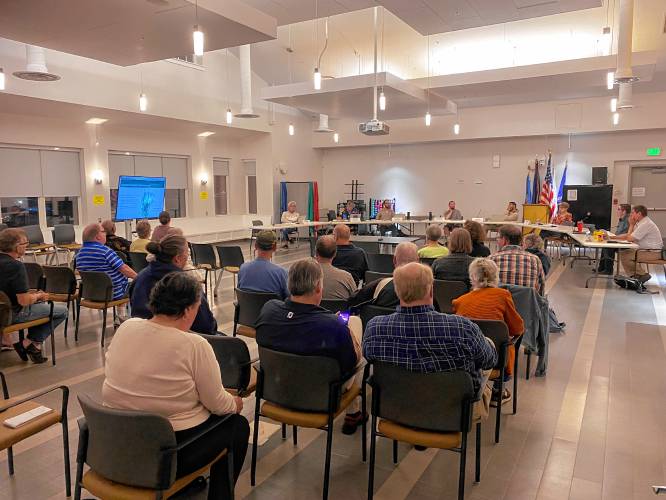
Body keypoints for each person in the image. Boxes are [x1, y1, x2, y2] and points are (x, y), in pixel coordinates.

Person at [103, 272, 248, 500]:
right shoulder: (194, 344)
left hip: (115, 444)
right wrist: (235, 403)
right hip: (165, 455)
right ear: (189, 309)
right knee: (236, 425)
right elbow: (218, 404)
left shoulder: (127, 327)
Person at [363, 262, 497, 415]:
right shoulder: (463, 329)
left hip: (395, 407)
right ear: (431, 291)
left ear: (397, 291)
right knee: (486, 346)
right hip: (452, 412)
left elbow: (368, 356)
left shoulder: (375, 329)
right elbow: (489, 361)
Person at [256, 258, 366, 435]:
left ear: (290, 284)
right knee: (354, 322)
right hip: (321, 394)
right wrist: (344, 331)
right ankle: (354, 413)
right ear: (318, 288)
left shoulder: (268, 310)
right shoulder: (333, 326)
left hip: (279, 386)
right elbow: (351, 363)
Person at [453, 258, 524, 404]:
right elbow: (517, 328)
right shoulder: (503, 295)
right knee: (507, 342)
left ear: (472, 277)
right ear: (495, 276)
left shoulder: (459, 301)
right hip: (498, 360)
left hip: (467, 359)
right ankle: (498, 391)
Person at [0, 228, 68, 363]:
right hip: (12, 314)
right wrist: (38, 296)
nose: (27, 246)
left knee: (39, 306)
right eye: (25, 243)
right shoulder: (16, 266)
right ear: (16, 247)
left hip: (2, 310)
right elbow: (24, 301)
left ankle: (28, 344)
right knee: (62, 311)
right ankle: (30, 343)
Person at [130, 235, 218, 334]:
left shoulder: (140, 277)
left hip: (143, 336)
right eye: (187, 253)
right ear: (177, 258)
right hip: (181, 342)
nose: (188, 257)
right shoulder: (186, 285)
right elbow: (206, 325)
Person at [76, 223, 137, 302]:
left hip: (91, 294)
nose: (105, 234)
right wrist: (140, 278)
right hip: (113, 293)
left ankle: (121, 314)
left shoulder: (79, 254)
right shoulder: (105, 251)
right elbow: (125, 269)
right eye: (103, 231)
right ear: (97, 236)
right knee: (139, 284)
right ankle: (126, 313)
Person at [348, 242, 419, 309]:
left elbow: (352, 301)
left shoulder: (380, 285)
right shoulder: (427, 288)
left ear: (394, 260)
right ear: (418, 260)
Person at [615, 204, 664, 282]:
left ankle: (642, 275)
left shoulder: (645, 224)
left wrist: (631, 225)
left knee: (626, 256)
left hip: (654, 253)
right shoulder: (641, 222)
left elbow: (629, 238)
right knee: (624, 252)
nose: (631, 215)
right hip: (647, 251)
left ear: (639, 214)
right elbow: (629, 235)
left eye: (633, 213)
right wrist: (613, 237)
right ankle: (635, 276)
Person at [490, 225, 545, 293]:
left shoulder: (492, 259)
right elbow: (541, 288)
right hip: (526, 303)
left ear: (504, 240)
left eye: (498, 238)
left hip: (499, 302)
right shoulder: (535, 259)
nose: (497, 240)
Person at [238, 230, 289, 299]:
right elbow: (288, 298)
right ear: (274, 247)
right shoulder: (281, 273)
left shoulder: (243, 269)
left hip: (247, 309)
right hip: (272, 309)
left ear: (256, 246)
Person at [315, 235, 357, 300]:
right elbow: (356, 301)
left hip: (311, 310)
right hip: (342, 310)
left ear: (316, 252)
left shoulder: (304, 275)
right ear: (335, 254)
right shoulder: (346, 277)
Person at [597, 203, 631, 274]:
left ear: (624, 211)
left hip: (625, 243)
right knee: (605, 245)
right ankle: (601, 268)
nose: (617, 211)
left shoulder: (628, 220)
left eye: (619, 209)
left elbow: (627, 235)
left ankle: (608, 270)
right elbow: (618, 233)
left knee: (608, 247)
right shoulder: (621, 220)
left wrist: (611, 237)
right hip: (619, 240)